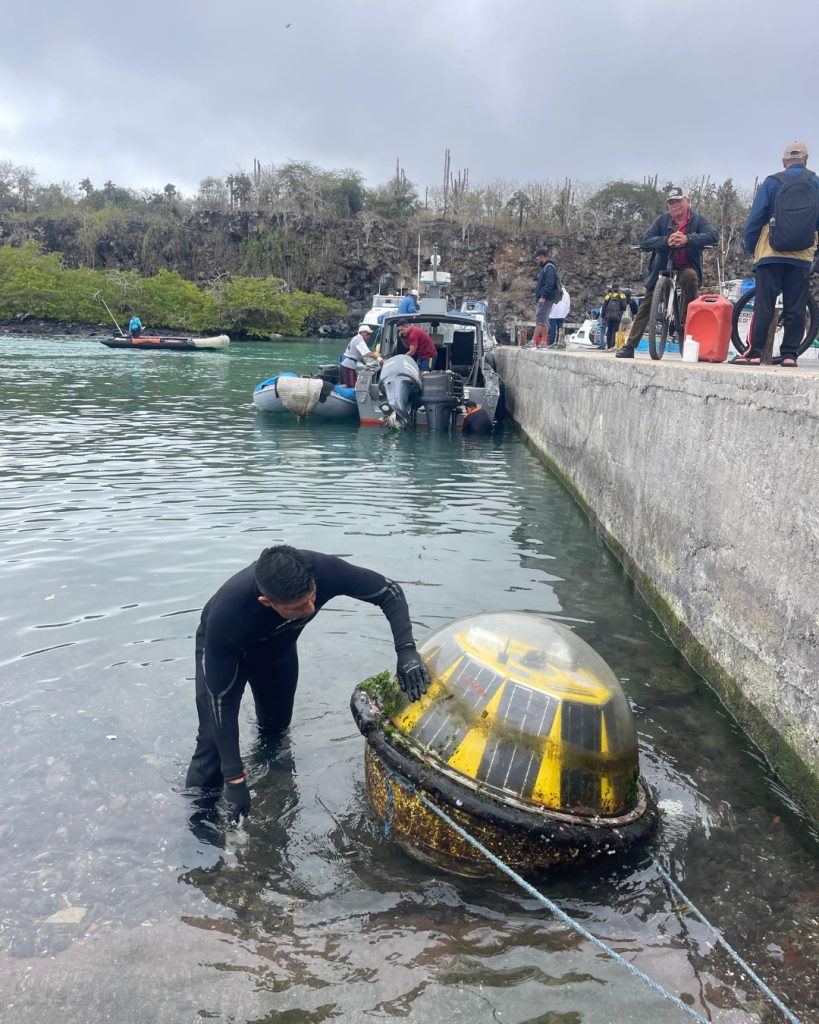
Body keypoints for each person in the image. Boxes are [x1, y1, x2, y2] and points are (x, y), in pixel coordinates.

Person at [185, 545, 431, 819]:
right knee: (211, 744)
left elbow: (389, 592)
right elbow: (222, 700)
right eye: (297, 607)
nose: (310, 609)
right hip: (227, 654)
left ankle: (274, 791)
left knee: (276, 728)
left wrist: (406, 650)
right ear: (267, 602)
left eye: (312, 598)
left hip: (277, 654)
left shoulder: (324, 570)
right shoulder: (228, 613)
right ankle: (198, 823)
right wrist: (234, 779)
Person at [735, 141, 819, 367]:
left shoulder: (772, 182)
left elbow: (755, 219)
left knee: (765, 304)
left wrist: (753, 247)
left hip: (770, 253)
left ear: (784, 162)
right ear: (806, 160)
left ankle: (754, 353)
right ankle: (790, 355)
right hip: (801, 256)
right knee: (796, 306)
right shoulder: (815, 183)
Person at [616, 186, 719, 359]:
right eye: (671, 202)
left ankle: (688, 325)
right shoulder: (662, 221)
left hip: (686, 267)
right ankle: (630, 346)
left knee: (690, 280)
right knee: (647, 303)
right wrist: (666, 241)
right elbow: (645, 240)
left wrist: (689, 239)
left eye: (678, 201)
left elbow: (713, 235)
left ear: (688, 201)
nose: (674, 205)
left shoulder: (698, 220)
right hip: (662, 269)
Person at [532, 248, 561, 348]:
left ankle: (533, 342)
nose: (537, 261)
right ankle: (544, 343)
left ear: (542, 257)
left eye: (537, 259)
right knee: (544, 321)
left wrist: (543, 296)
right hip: (547, 298)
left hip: (546, 298)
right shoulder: (546, 267)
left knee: (539, 320)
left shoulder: (548, 267)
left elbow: (549, 283)